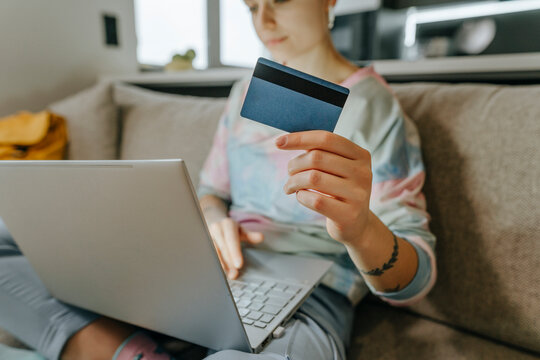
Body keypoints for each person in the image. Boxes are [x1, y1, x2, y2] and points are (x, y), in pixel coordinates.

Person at [0, 0, 437, 359]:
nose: (263, 21)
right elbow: (212, 192)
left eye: (279, 1)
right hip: (211, 276)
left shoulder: (374, 107)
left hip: (310, 300)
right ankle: (129, 351)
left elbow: (415, 282)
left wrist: (359, 228)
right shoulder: (246, 89)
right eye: (251, 6)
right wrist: (213, 220)